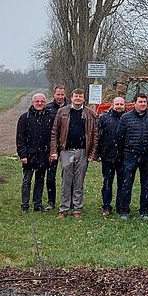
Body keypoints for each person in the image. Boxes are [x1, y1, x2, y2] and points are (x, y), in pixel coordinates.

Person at [50, 88, 98, 219]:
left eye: (80, 96)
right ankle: (64, 208)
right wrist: (54, 151)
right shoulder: (62, 112)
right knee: (66, 180)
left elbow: (95, 134)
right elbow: (55, 132)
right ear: (71, 98)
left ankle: (77, 208)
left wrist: (93, 153)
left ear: (84, 98)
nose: (78, 98)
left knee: (79, 181)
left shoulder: (90, 113)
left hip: (82, 151)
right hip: (66, 150)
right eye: (75, 96)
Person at [117, 93, 148, 220]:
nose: (143, 104)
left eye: (145, 102)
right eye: (140, 102)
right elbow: (120, 136)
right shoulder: (126, 117)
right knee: (127, 184)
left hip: (147, 155)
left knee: (146, 184)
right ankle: (125, 210)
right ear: (135, 103)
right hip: (130, 154)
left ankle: (144, 211)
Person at [16, 93, 54, 212]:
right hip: (29, 155)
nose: (39, 104)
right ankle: (25, 205)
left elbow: (52, 137)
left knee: (40, 180)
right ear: (33, 102)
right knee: (27, 180)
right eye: (37, 101)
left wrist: (51, 152)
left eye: (42, 101)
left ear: (45, 102)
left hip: (43, 154)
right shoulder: (24, 118)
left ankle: (37, 204)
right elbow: (20, 138)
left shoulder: (50, 117)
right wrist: (22, 155)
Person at [97, 96, 126, 216]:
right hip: (107, 155)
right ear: (113, 105)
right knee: (107, 182)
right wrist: (98, 153)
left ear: (124, 105)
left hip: (124, 156)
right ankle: (106, 206)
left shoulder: (128, 118)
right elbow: (98, 136)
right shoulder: (104, 118)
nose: (119, 106)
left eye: (121, 104)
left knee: (122, 183)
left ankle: (120, 206)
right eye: (117, 104)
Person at [44, 85, 67, 210]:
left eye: (62, 94)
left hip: (66, 146)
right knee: (51, 175)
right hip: (51, 146)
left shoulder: (70, 108)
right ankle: (51, 201)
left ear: (65, 94)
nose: (60, 97)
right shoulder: (47, 108)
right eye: (58, 94)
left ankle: (67, 200)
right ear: (54, 94)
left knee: (67, 175)